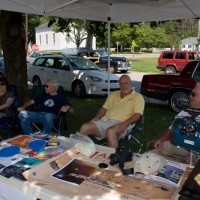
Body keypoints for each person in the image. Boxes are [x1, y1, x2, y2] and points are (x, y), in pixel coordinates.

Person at [79, 75, 145, 148]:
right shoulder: (113, 94)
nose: (123, 86)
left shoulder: (138, 97)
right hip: (105, 121)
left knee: (111, 131)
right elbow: (104, 108)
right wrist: (97, 117)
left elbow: (137, 115)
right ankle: (83, 152)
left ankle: (113, 157)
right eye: (121, 83)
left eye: (126, 83)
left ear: (131, 83)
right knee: (85, 127)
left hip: (123, 123)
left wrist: (124, 124)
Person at [154, 82, 200, 163]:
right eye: (190, 93)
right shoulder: (184, 112)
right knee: (156, 152)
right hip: (180, 148)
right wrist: (162, 139)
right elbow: (172, 129)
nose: (190, 96)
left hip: (196, 152)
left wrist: (195, 155)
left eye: (193, 94)